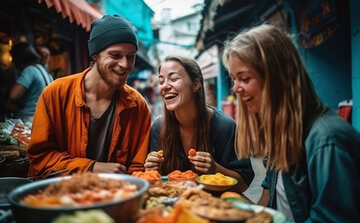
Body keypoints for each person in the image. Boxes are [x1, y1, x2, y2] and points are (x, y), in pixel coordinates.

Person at [222, 24, 360, 222]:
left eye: (244, 78)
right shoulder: (281, 133)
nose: (235, 88)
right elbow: (267, 205)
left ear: (277, 78)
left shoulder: (326, 141)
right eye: (234, 79)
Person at [27, 15, 151, 177]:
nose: (125, 64)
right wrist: (90, 167)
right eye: (115, 55)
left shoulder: (137, 105)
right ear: (95, 54)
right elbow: (39, 159)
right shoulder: (56, 94)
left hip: (117, 196)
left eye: (131, 56)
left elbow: (138, 167)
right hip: (59, 197)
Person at [145, 55, 254, 193]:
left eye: (173, 79)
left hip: (213, 208)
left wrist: (215, 169)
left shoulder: (225, 127)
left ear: (195, 84)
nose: (165, 86)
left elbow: (243, 183)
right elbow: (157, 183)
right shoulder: (158, 127)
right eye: (161, 82)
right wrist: (153, 170)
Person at [6, 42, 53, 126]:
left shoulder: (30, 70)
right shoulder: (45, 72)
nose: (13, 61)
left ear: (19, 58)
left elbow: (13, 95)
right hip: (42, 120)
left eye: (13, 58)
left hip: (27, 121)